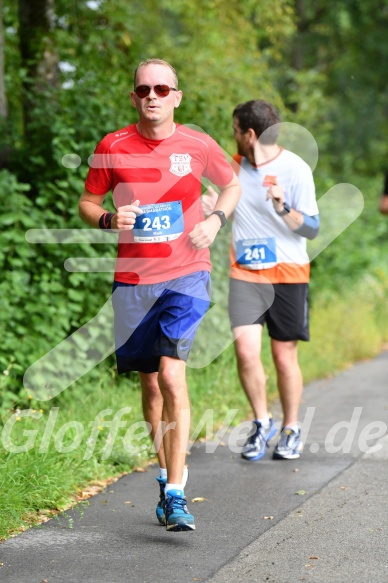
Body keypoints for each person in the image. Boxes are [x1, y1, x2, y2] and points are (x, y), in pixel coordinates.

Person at [78, 59, 240, 531]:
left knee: (172, 376)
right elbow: (88, 203)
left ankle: (175, 490)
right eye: (144, 88)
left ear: (176, 96)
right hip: (132, 281)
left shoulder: (197, 143)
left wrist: (214, 221)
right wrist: (108, 219)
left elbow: (231, 185)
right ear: (134, 97)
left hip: (187, 274)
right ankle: (166, 469)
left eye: (162, 88)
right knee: (149, 384)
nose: (153, 95)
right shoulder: (112, 146)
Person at [203, 99, 319, 462]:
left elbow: (313, 229)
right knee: (245, 352)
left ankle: (291, 428)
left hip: (288, 273)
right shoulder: (232, 169)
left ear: (249, 134)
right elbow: (223, 206)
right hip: (246, 274)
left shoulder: (295, 169)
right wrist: (212, 209)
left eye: (235, 130)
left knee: (283, 356)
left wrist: (284, 207)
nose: (232, 136)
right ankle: (260, 422)